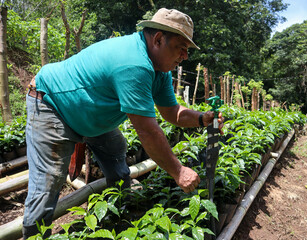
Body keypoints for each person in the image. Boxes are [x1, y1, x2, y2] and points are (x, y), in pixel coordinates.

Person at [23, 8, 224, 239]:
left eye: (187, 51)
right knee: (48, 182)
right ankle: (33, 235)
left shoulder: (160, 70)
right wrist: (178, 171)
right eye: (181, 48)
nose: (185, 56)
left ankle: (117, 208)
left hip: (88, 112)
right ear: (158, 39)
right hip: (53, 103)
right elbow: (147, 131)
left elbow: (172, 112)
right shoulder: (134, 64)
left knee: (115, 146)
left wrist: (201, 118)